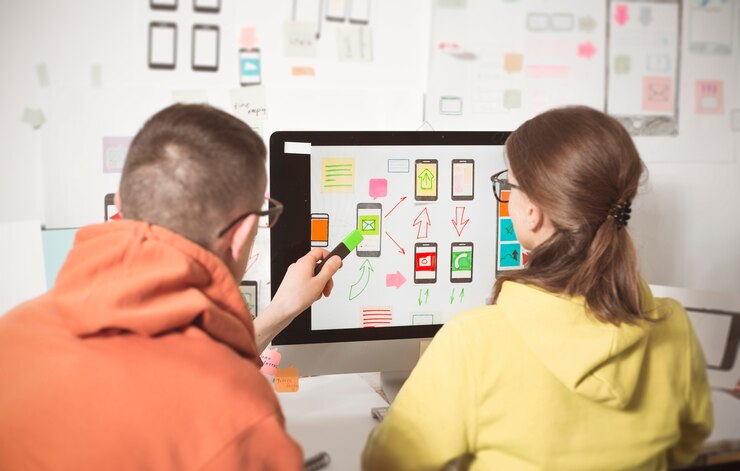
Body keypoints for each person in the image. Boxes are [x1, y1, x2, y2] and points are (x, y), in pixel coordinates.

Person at [362, 106, 713, 470]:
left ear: (533, 211)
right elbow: (685, 445)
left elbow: (385, 464)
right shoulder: (673, 325)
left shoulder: (471, 342)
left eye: (508, 184)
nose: (505, 193)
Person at [0, 104, 342, 470]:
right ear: (241, 233)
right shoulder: (242, 421)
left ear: (121, 206)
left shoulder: (14, 332)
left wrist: (281, 310)